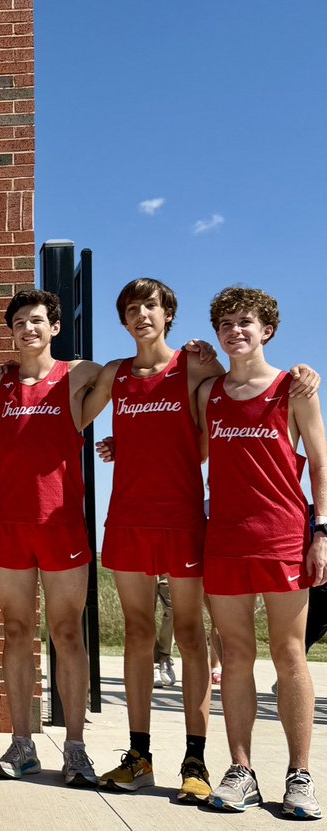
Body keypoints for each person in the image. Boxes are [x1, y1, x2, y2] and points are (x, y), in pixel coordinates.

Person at [84, 278, 318, 798]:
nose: (140, 315)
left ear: (168, 313)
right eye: (130, 308)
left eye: (150, 306)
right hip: (128, 517)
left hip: (190, 518)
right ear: (122, 319)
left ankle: (197, 762)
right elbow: (75, 415)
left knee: (192, 636)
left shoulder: (198, 368)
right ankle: (140, 756)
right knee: (141, 634)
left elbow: (219, 434)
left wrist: (305, 373)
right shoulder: (118, 374)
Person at [197, 287, 326, 818]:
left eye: (246, 322)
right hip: (225, 538)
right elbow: (191, 448)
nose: (235, 331)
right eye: (225, 324)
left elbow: (320, 463)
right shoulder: (209, 393)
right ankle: (242, 770)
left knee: (290, 655)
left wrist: (322, 532)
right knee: (235, 657)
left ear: (267, 329)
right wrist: (119, 447)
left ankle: (300, 775)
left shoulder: (294, 389)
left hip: (282, 535)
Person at [0, 289, 102, 787]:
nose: (27, 328)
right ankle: (23, 743)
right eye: (19, 323)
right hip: (9, 522)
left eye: (37, 321)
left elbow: (124, 371)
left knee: (67, 632)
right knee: (15, 632)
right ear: (10, 333)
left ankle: (75, 748)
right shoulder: (0, 382)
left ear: (54, 327)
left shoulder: (76, 374)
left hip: (61, 524)